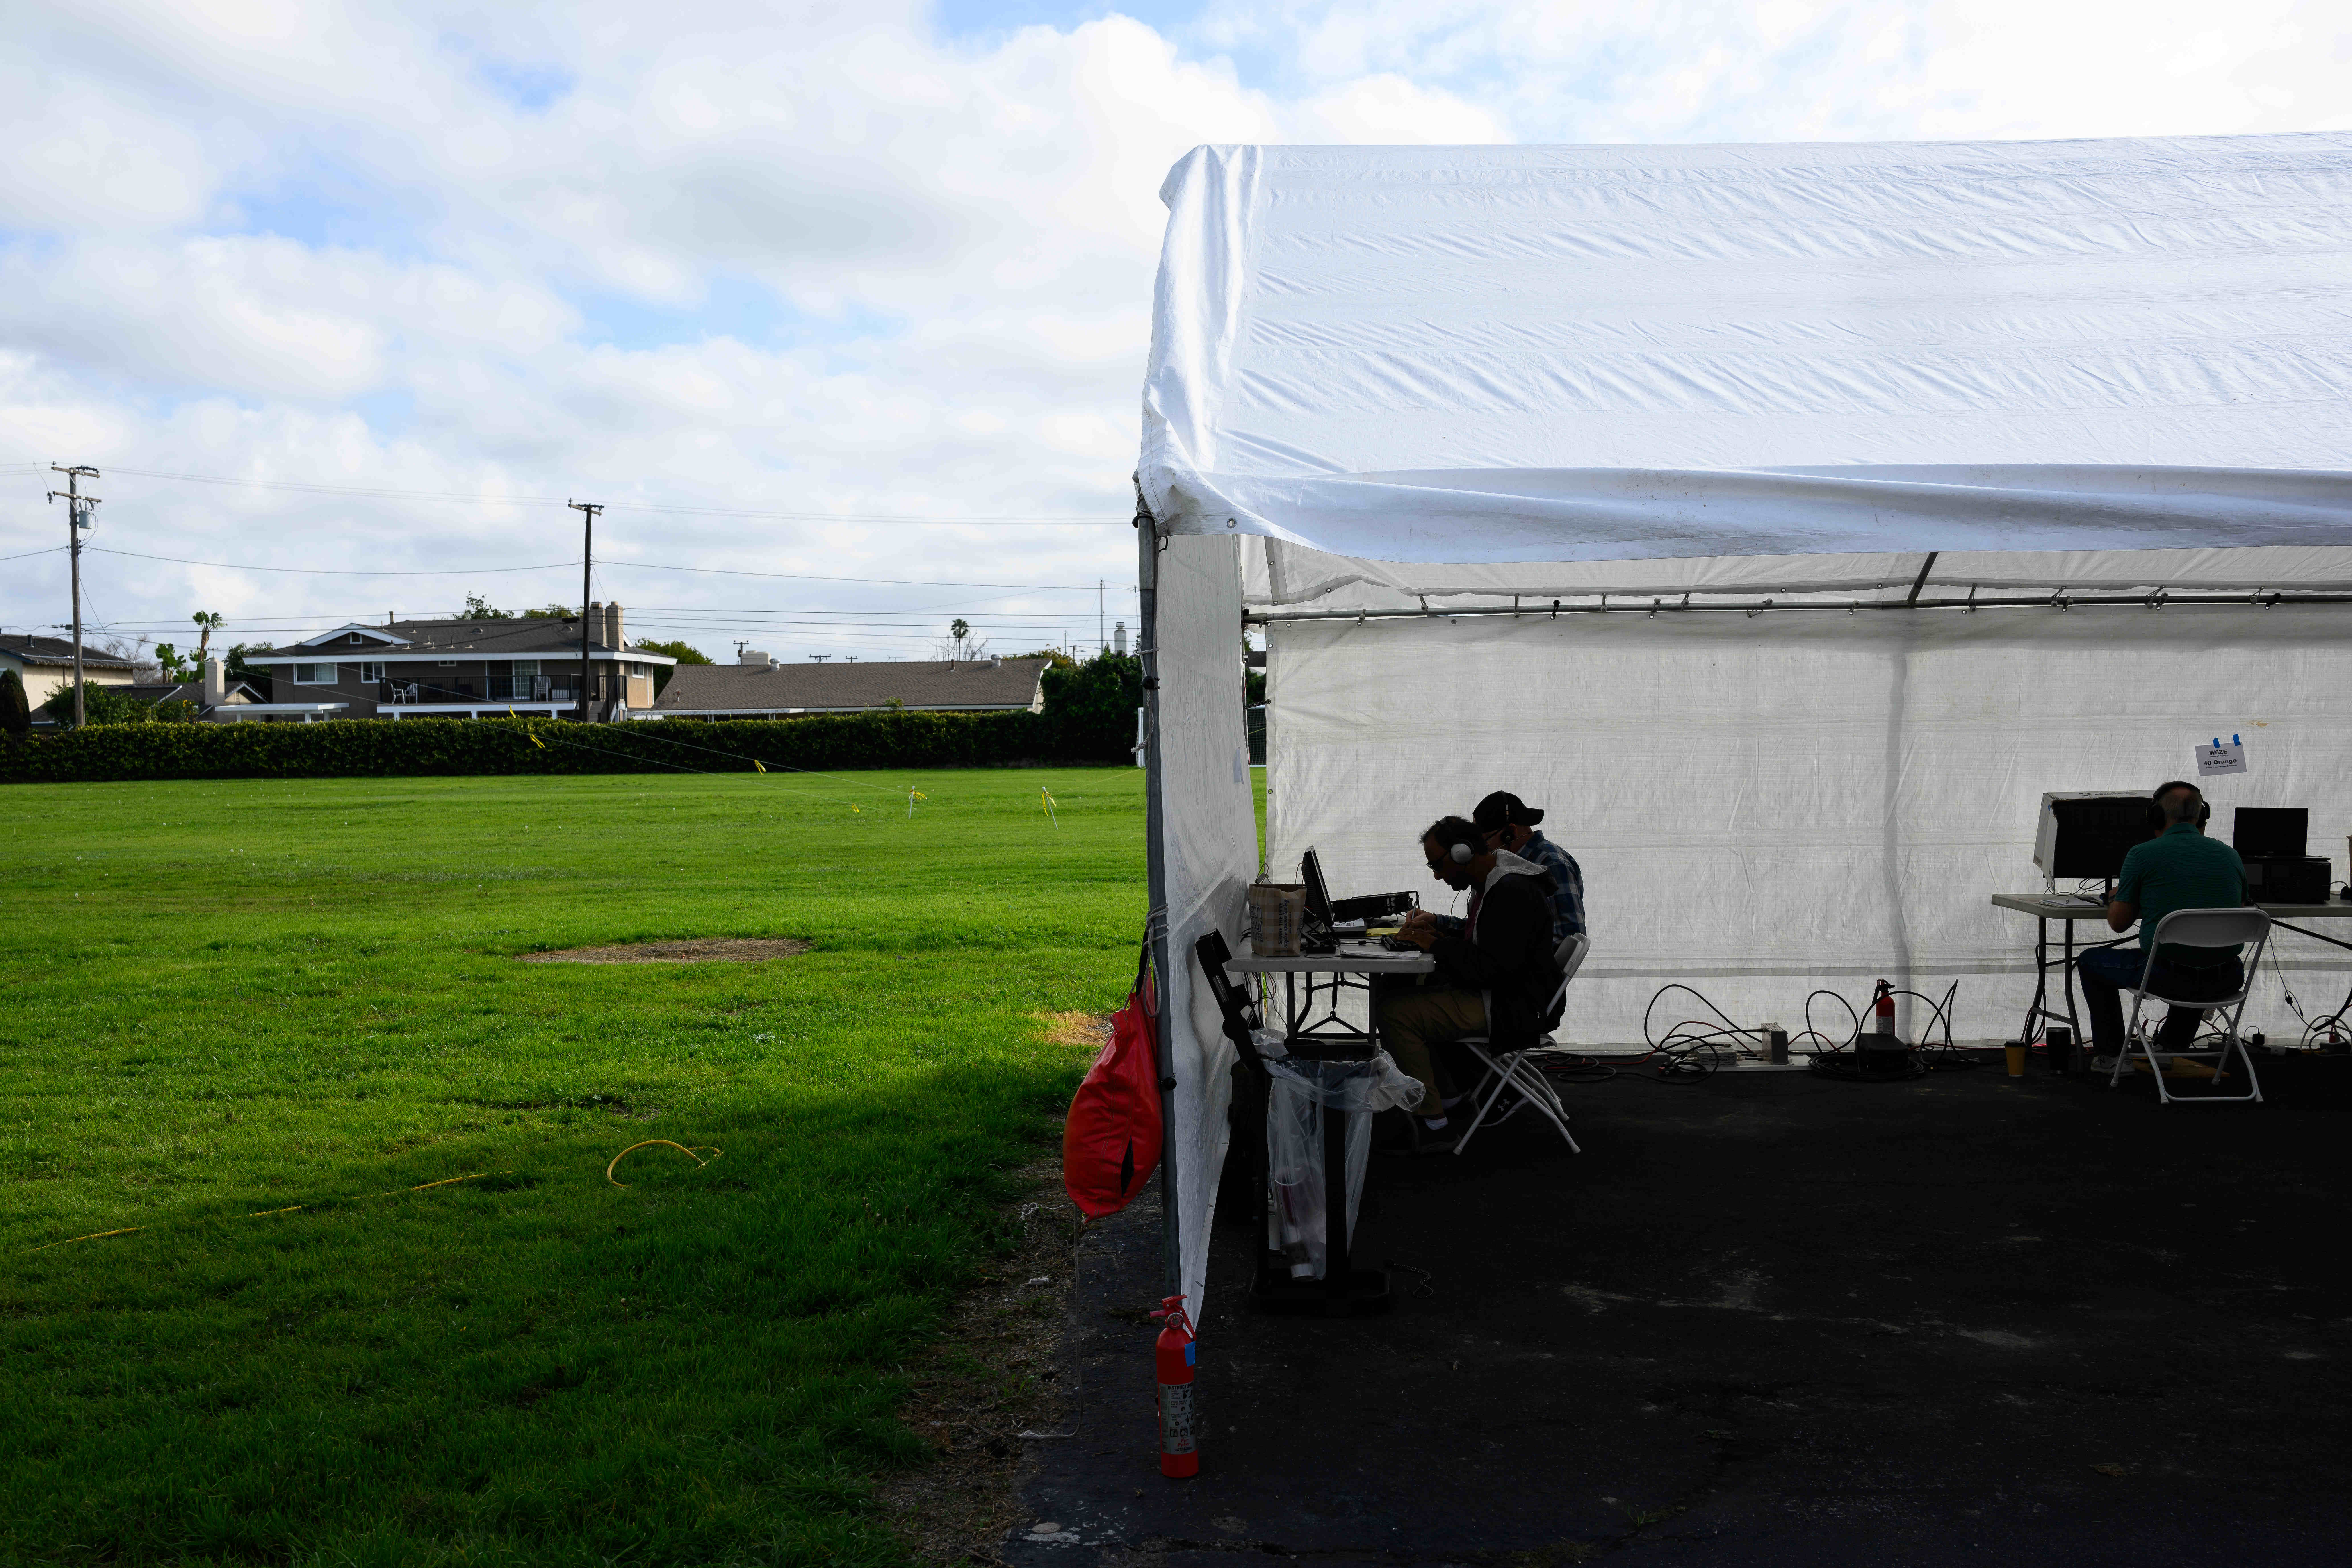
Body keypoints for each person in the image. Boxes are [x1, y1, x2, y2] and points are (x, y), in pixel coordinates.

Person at [1380, 815, 1565, 1153]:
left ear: (1463, 853)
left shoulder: (1511, 889)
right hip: (1508, 994)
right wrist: (1440, 936)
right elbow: (1488, 943)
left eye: (1438, 864)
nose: (1437, 875)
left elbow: (1491, 969)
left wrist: (1436, 945)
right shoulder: (1496, 880)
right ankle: (1451, 1100)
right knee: (1396, 989)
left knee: (1395, 1012)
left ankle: (1435, 1127)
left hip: (1510, 1005)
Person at [2075, 780, 2248, 1065]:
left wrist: (2125, 895)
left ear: (2155, 817)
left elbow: (2118, 924)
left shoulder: (2142, 855)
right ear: (2202, 817)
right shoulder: (2231, 855)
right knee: (2198, 953)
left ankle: (2111, 1056)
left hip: (2169, 979)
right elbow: (2239, 908)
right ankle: (2170, 1046)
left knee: (2090, 961)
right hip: (2227, 978)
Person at [1399, 790, 1585, 945]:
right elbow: (1493, 932)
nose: (1477, 850)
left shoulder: (1552, 864)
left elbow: (1567, 938)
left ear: (1510, 834)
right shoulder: (1498, 873)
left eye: (1482, 841)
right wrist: (1439, 923)